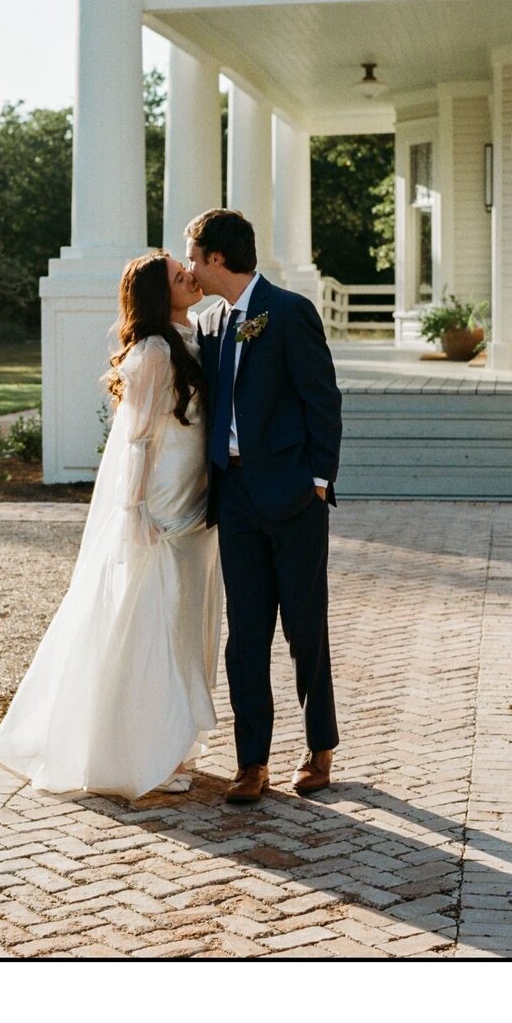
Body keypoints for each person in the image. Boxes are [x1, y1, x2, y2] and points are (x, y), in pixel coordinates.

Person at [0, 252, 221, 801]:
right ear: (161, 295)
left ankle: (174, 736)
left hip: (195, 499)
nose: (189, 274)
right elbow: (137, 439)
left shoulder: (192, 336)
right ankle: (140, 751)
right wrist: (135, 509)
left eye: (186, 269)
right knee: (151, 618)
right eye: (177, 275)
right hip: (161, 502)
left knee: (183, 619)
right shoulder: (157, 350)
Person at [185, 209, 342, 804]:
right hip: (238, 499)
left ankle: (319, 747)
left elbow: (322, 402)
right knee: (244, 636)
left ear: (218, 259)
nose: (192, 268)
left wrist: (319, 482)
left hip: (296, 498)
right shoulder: (210, 324)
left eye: (196, 257)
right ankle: (252, 763)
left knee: (306, 631)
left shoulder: (290, 312)